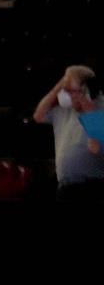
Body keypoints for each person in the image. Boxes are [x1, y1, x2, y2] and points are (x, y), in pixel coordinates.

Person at [33, 65, 104, 195]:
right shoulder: (63, 110)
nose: (68, 95)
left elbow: (97, 147)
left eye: (72, 91)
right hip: (66, 187)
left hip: (93, 187)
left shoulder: (99, 108)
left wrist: (83, 101)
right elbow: (39, 115)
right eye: (67, 91)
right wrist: (62, 84)